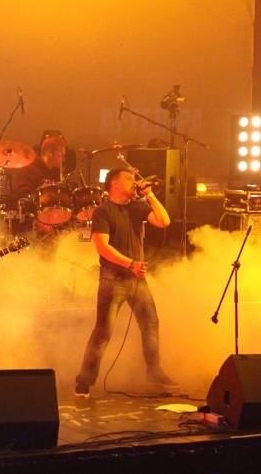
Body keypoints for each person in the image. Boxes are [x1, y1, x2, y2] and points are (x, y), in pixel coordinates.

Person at [74, 167, 177, 397]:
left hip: (137, 279)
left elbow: (164, 221)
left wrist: (150, 195)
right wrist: (130, 263)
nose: (134, 181)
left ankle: (154, 372)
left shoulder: (138, 207)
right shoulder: (103, 211)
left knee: (150, 325)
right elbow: (102, 247)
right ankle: (84, 381)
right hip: (113, 280)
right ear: (115, 184)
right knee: (103, 333)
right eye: (129, 178)